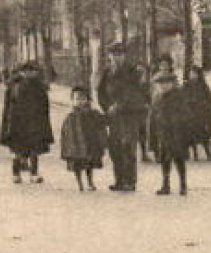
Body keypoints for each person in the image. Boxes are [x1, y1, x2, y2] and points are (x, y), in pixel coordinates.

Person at [99, 43, 147, 192]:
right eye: (113, 54)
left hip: (129, 114)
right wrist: (107, 107)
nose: (116, 57)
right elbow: (101, 92)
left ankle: (130, 181)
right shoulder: (107, 72)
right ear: (109, 56)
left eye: (119, 54)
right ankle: (119, 180)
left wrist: (120, 104)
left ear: (125, 55)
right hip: (113, 117)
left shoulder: (133, 71)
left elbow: (134, 92)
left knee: (128, 147)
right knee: (115, 148)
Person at [0, 61, 54, 184]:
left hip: (35, 123)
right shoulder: (15, 85)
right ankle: (16, 174)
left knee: (34, 150)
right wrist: (9, 124)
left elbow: (44, 105)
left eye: (31, 71)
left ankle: (34, 174)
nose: (29, 74)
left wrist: (43, 121)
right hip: (18, 124)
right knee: (18, 151)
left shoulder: (39, 86)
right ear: (21, 72)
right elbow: (9, 106)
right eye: (25, 71)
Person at [149, 70, 193, 195]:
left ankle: (183, 185)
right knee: (164, 160)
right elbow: (152, 117)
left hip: (177, 134)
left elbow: (187, 115)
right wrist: (153, 135)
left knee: (179, 159)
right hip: (162, 134)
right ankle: (165, 185)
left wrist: (180, 125)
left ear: (172, 83)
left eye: (166, 83)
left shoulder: (179, 97)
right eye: (161, 83)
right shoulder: (157, 98)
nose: (163, 86)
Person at [59, 86, 107, 191]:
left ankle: (90, 181)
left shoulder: (93, 114)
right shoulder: (70, 117)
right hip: (76, 147)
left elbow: (102, 124)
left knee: (89, 164)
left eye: (82, 99)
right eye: (77, 99)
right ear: (72, 101)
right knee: (77, 165)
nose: (80, 101)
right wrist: (67, 147)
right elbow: (65, 134)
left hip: (89, 145)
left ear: (87, 100)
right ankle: (79, 183)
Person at [181, 65, 211, 160]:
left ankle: (208, 153)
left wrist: (207, 108)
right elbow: (183, 98)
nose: (192, 75)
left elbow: (209, 99)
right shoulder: (186, 85)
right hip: (189, 113)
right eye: (191, 73)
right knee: (190, 134)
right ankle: (194, 153)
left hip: (200, 114)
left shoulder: (203, 85)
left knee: (203, 134)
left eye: (194, 73)